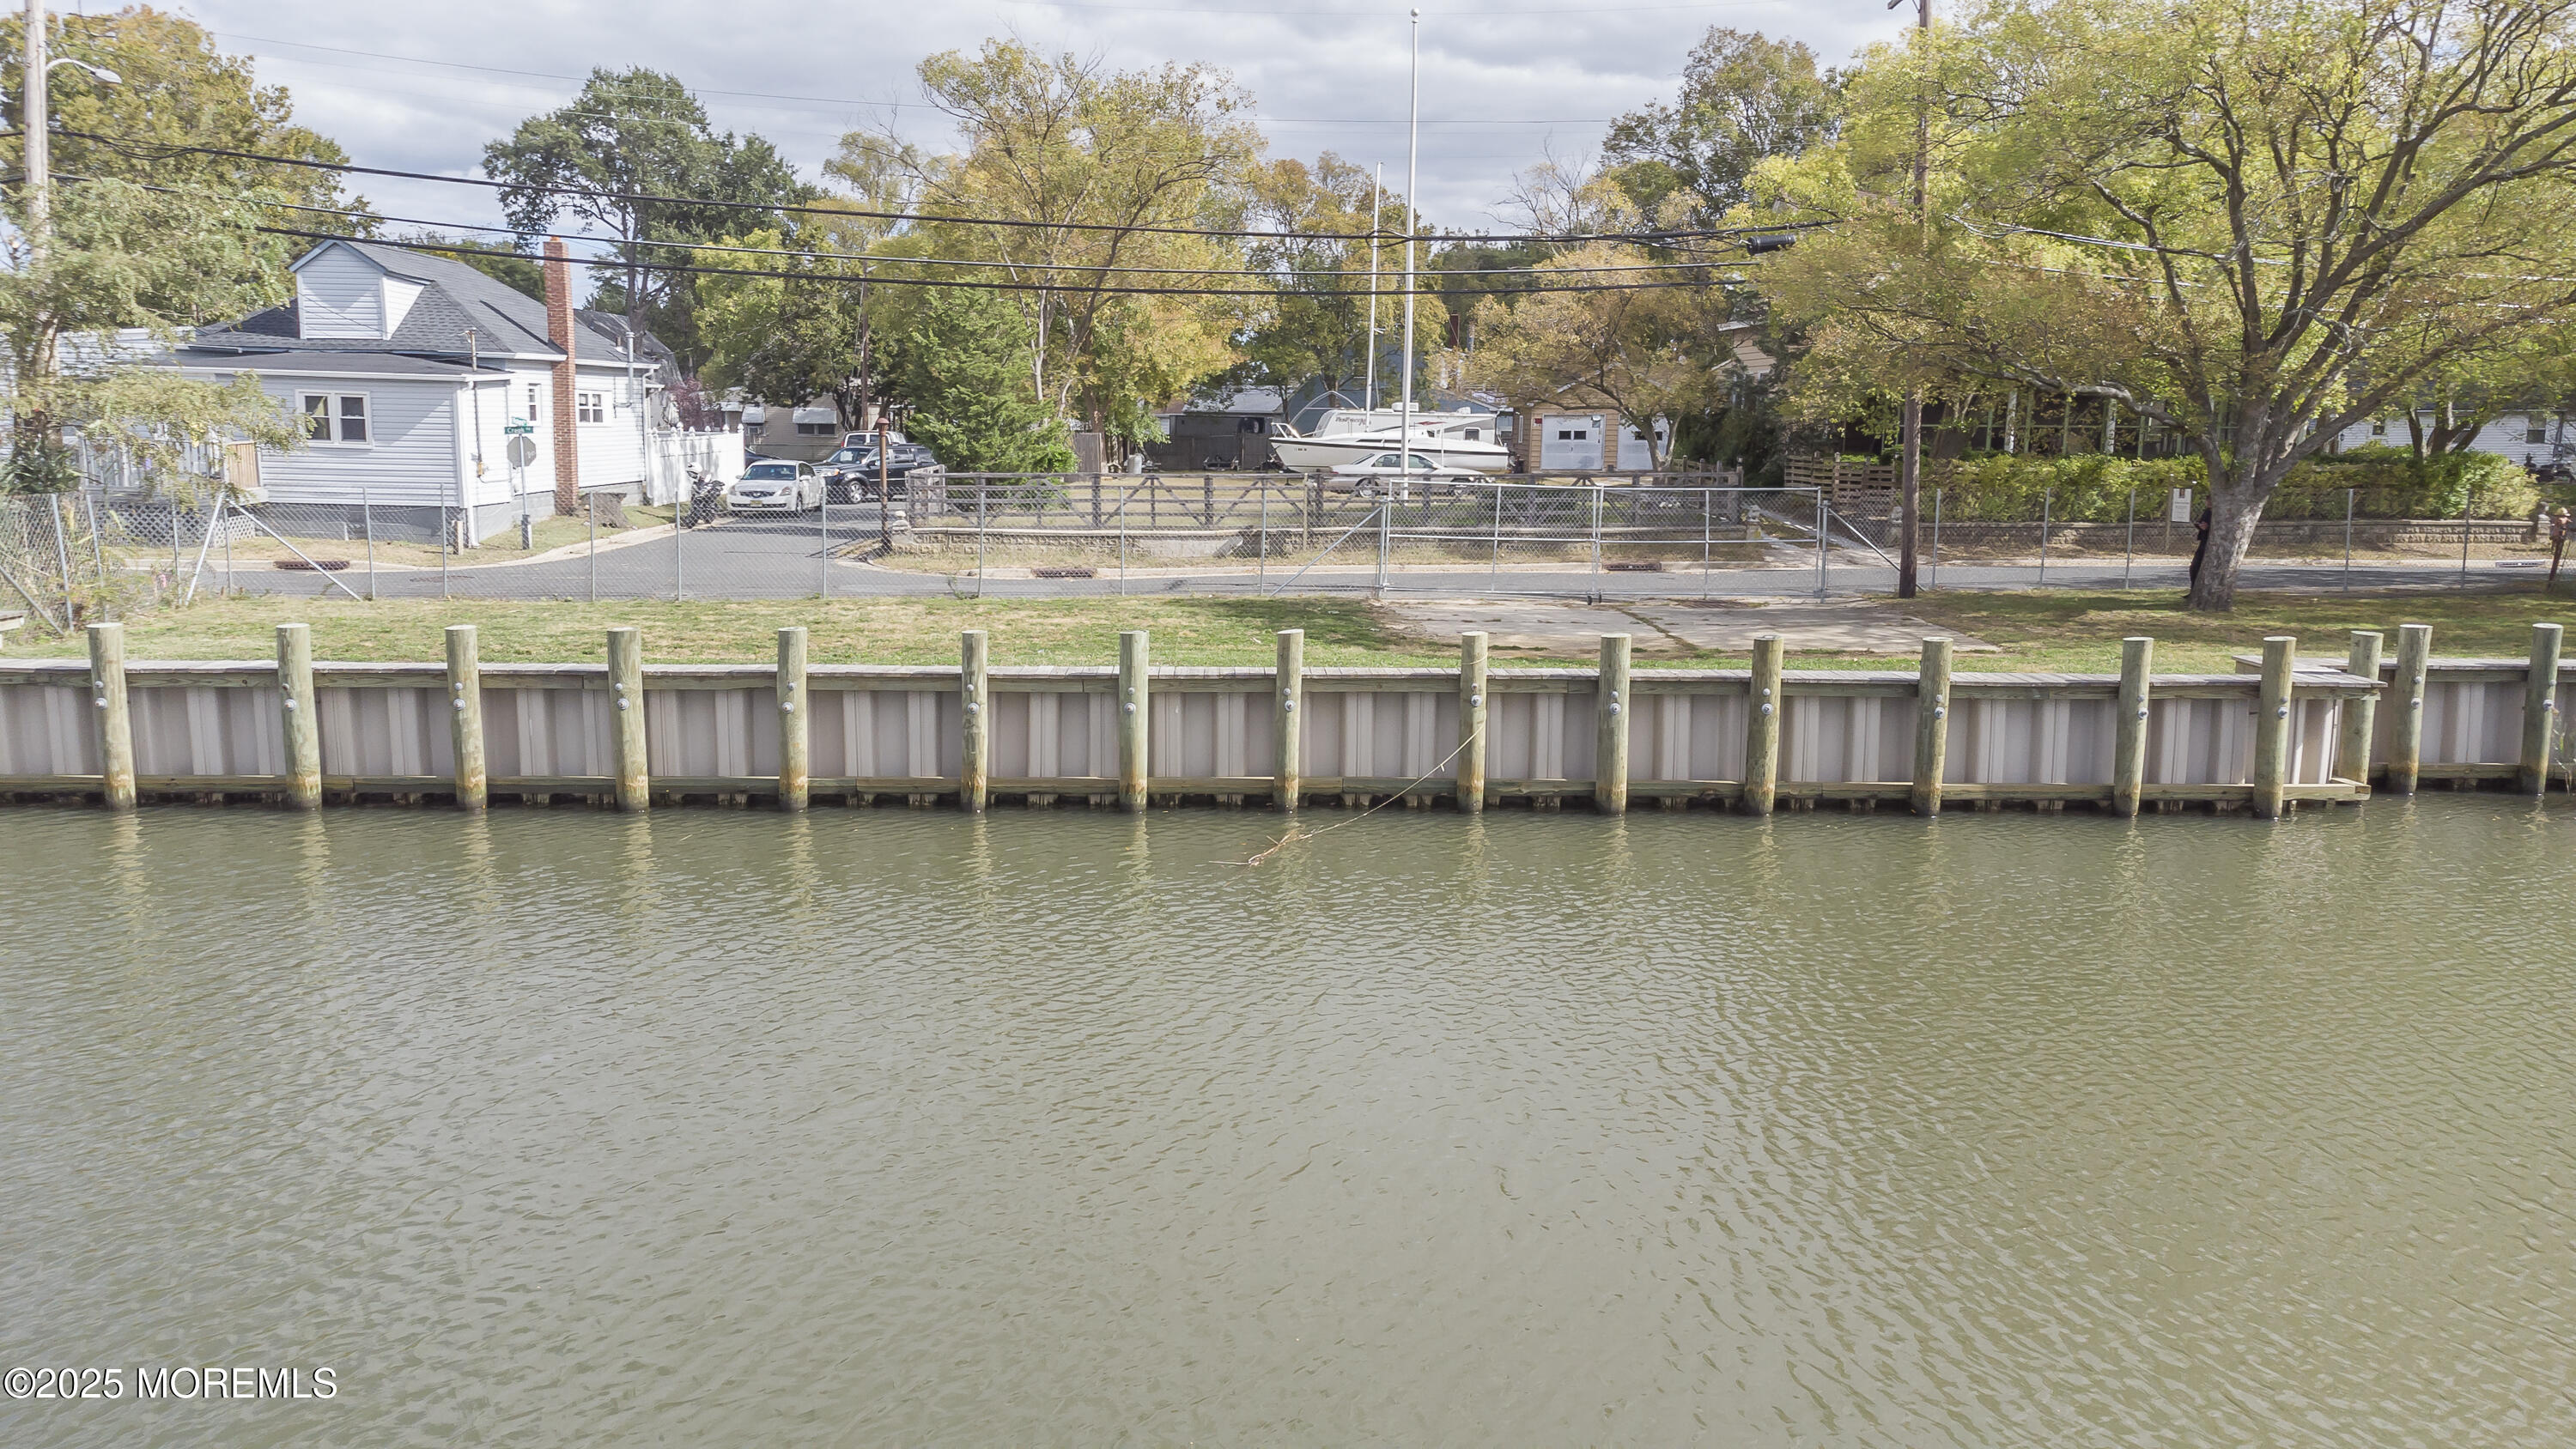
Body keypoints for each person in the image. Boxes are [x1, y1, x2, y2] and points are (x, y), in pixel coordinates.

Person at [2188, 504, 2214, 590]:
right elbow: (2201, 523)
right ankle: (2194, 589)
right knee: (2194, 567)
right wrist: (2200, 526)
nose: (2207, 501)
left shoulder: (2218, 512)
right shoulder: (2207, 511)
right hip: (2204, 541)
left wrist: (2208, 527)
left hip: (2211, 543)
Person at [2550, 506, 2570, 591]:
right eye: (2559, 517)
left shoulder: (2563, 522)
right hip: (2559, 540)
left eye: (2562, 517)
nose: (2560, 519)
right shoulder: (2558, 523)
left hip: (2563, 540)